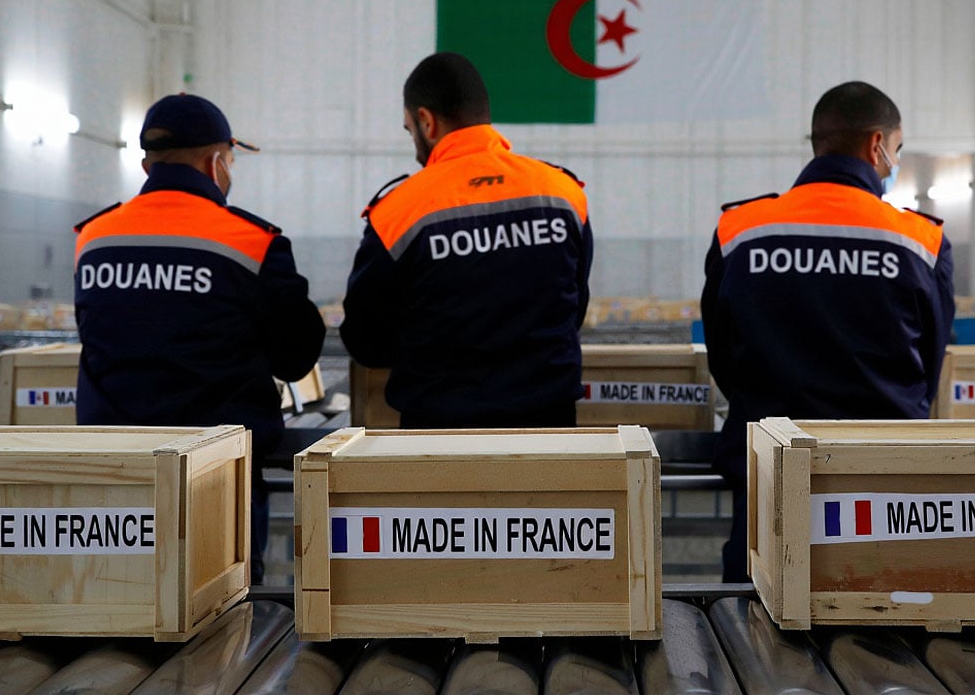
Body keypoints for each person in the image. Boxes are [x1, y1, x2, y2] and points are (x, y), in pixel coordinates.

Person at [701, 81, 955, 582]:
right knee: (882, 605)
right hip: (881, 473)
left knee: (757, 603)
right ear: (877, 144)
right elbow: (930, 362)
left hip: (768, 463)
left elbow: (721, 352)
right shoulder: (920, 240)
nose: (893, 161)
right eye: (897, 148)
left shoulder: (741, 230)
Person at [73, 93, 326, 584]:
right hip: (217, 482)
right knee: (221, 613)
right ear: (215, 163)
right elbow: (296, 357)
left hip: (115, 485)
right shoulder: (251, 242)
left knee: (119, 601)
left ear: (147, 165)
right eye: (231, 161)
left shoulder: (94, 238)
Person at [341, 52, 593, 428]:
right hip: (548, 430)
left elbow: (364, 340)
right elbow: (574, 306)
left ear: (426, 121)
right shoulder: (562, 194)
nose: (414, 144)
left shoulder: (398, 212)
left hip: (438, 436)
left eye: (410, 130)